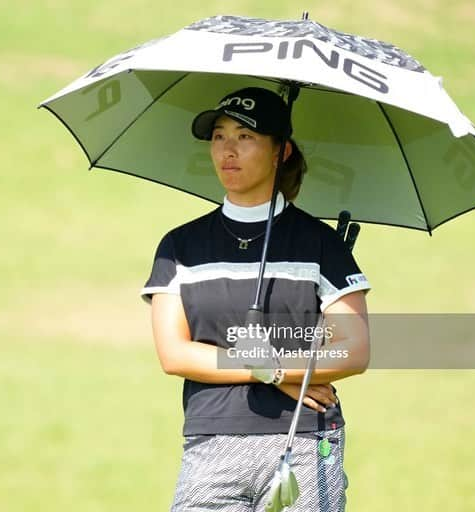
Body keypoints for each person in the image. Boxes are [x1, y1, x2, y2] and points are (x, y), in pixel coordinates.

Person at [141, 87, 370, 512]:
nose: (228, 150)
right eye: (219, 136)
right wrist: (270, 371)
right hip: (211, 444)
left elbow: (353, 350)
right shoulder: (180, 246)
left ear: (281, 151)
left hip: (304, 442)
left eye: (245, 137)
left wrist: (276, 366)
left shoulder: (321, 244)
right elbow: (174, 354)